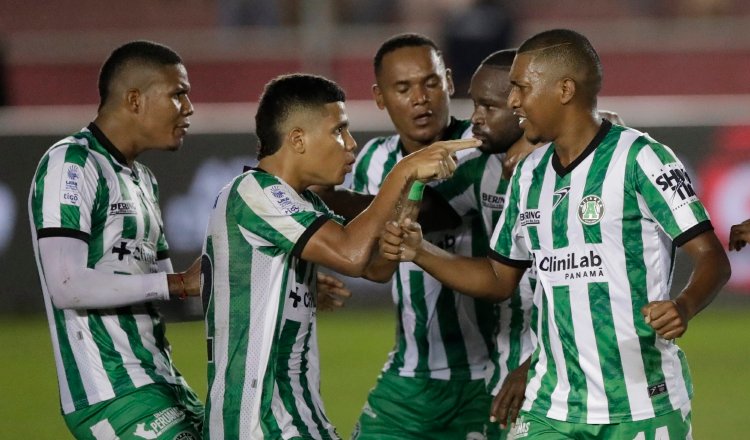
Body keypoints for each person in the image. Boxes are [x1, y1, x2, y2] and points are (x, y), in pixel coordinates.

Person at [381, 29, 730, 439]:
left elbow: (711, 256)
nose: (514, 101)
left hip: (642, 402)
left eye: (521, 88)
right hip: (551, 406)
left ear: (564, 90)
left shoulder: (641, 158)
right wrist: (420, 251)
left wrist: (684, 305)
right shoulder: (528, 175)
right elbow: (498, 278)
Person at [200, 73, 477, 439]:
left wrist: (413, 188)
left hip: (297, 414)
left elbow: (377, 267)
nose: (350, 143)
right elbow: (351, 252)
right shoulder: (254, 192)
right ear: (297, 139)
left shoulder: (305, 203)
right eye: (339, 131)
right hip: (261, 421)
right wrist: (405, 169)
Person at [29, 41, 204, 439]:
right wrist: (176, 283)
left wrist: (278, 286)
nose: (189, 107)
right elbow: (67, 285)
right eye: (178, 94)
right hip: (110, 391)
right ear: (134, 99)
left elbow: (171, 296)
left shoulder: (143, 179)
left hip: (162, 382)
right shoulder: (71, 163)